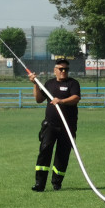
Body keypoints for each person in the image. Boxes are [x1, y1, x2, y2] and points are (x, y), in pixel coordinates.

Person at [28, 58, 81, 192]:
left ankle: (57, 182)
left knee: (62, 155)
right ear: (55, 70)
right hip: (50, 125)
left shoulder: (73, 83)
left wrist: (61, 101)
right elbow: (39, 99)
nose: (64, 71)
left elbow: (76, 98)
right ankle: (39, 184)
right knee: (45, 151)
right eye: (61, 69)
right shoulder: (49, 84)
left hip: (67, 127)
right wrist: (35, 84)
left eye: (66, 69)